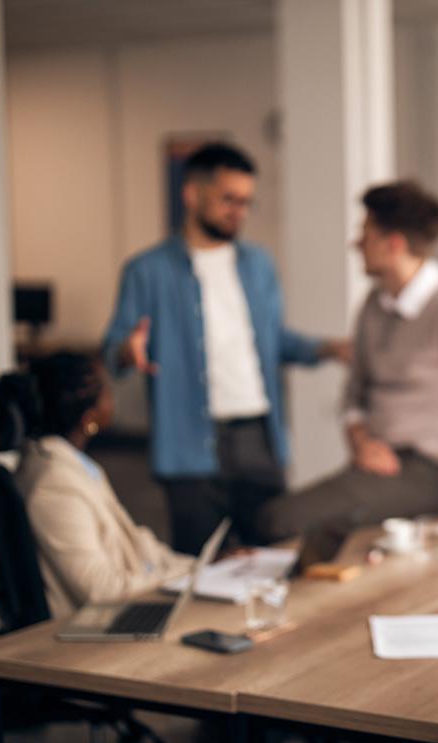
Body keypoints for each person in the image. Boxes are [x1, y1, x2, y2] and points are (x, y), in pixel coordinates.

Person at [262, 181, 438, 569]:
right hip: (377, 463)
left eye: (365, 233)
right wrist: (359, 437)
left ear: (393, 244)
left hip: (437, 473)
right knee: (290, 527)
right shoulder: (373, 304)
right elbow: (354, 391)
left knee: (277, 521)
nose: (356, 243)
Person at [101, 142, 350, 554]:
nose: (239, 211)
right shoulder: (146, 270)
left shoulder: (259, 265)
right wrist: (129, 351)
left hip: (258, 436)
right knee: (203, 563)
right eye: (228, 199)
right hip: (188, 440)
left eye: (247, 202)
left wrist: (328, 349)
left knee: (273, 555)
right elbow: (113, 351)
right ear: (192, 194)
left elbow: (272, 342)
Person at [15, 352, 194, 619]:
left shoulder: (67, 462)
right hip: (93, 629)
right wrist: (182, 576)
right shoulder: (55, 485)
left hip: (122, 605)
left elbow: (134, 540)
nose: (113, 399)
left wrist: (200, 567)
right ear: (89, 417)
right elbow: (102, 591)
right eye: (107, 391)